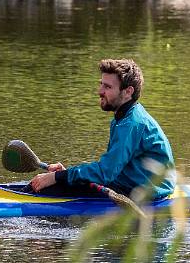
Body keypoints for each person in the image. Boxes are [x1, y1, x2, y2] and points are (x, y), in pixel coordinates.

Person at [29, 58, 176, 199]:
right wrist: (67, 174)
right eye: (101, 84)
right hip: (130, 184)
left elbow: (106, 172)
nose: (100, 91)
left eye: (107, 87)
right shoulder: (122, 117)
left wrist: (59, 177)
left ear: (128, 91)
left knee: (48, 188)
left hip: (150, 192)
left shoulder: (132, 123)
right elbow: (111, 169)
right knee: (57, 183)